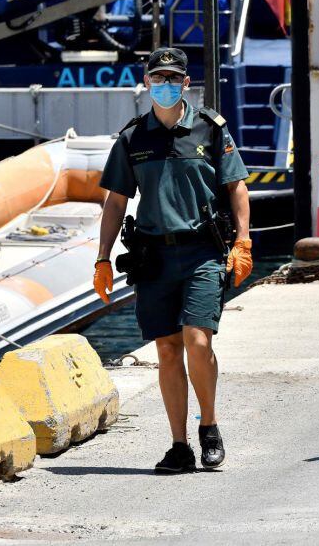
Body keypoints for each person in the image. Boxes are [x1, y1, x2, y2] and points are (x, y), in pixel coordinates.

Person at [93, 47, 252, 473]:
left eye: (172, 78)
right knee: (166, 349)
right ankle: (179, 445)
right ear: (146, 83)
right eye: (156, 77)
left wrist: (244, 241)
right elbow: (115, 202)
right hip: (153, 256)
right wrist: (102, 258)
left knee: (198, 341)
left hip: (202, 252)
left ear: (185, 84)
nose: (164, 85)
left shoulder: (210, 129)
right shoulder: (132, 138)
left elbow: (236, 186)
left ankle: (210, 426)